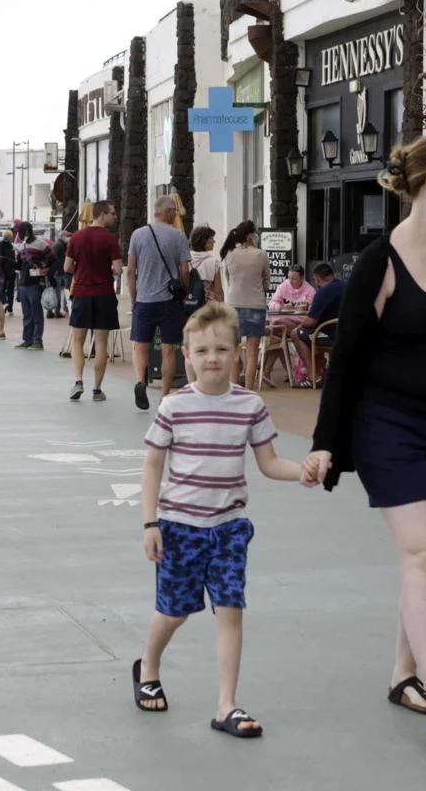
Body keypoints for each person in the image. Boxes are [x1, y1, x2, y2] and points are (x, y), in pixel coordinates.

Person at [303, 133, 426, 741]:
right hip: (393, 427)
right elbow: (347, 361)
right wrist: (323, 442)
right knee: (424, 553)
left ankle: (403, 673)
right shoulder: (378, 263)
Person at [133, 302, 303, 738]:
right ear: (186, 354)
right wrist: (150, 524)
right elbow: (153, 465)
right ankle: (148, 666)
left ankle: (227, 705)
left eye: (222, 349)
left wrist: (302, 471)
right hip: (179, 528)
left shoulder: (250, 405)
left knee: (231, 613)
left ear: (237, 353)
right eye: (203, 350)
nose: (213, 358)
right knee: (173, 612)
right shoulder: (174, 406)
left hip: (228, 530)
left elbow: (268, 462)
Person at [128, 195, 191, 410]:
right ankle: (164, 395)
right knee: (167, 349)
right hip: (169, 301)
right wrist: (184, 288)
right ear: (169, 212)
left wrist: (134, 298)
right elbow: (184, 269)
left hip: (144, 299)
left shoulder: (137, 235)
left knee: (141, 345)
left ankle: (139, 381)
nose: (176, 215)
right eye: (174, 211)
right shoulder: (178, 236)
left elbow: (130, 271)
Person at [65, 199, 123, 401]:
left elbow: (67, 267)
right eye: (112, 213)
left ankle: (79, 380)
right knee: (100, 344)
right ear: (101, 214)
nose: (115, 217)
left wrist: (80, 271)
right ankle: (97, 389)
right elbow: (117, 269)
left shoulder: (76, 237)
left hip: (81, 293)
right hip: (104, 294)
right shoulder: (110, 239)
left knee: (78, 341)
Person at [220, 221, 270, 390]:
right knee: (252, 350)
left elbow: (228, 278)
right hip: (256, 304)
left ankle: (233, 387)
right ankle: (249, 388)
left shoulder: (229, 254)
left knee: (235, 349)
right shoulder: (261, 254)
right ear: (249, 236)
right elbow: (267, 282)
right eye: (254, 234)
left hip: (234, 304)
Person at [289, 263, 345, 387]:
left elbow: (311, 322)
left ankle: (313, 377)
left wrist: (299, 325)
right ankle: (320, 371)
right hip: (351, 333)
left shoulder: (323, 292)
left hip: (332, 336)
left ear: (318, 278)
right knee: (312, 334)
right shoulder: (347, 286)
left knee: (297, 334)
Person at [263, 265, 316, 385]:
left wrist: (307, 305)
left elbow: (313, 311)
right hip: (286, 322)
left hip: (302, 323)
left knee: (276, 330)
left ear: (302, 278)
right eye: (289, 278)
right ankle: (276, 372)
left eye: (294, 278)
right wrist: (281, 307)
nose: (290, 281)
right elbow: (272, 303)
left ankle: (266, 371)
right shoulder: (284, 286)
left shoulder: (310, 290)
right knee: (278, 332)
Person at [15, 221, 52, 350]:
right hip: (23, 283)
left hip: (35, 284)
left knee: (36, 313)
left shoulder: (41, 245)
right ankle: (27, 339)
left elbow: (53, 260)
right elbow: (19, 265)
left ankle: (37, 340)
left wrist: (45, 270)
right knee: (27, 314)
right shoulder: (21, 246)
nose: (18, 234)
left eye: (19, 231)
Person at [189, 225, 224, 304]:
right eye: (211, 238)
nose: (214, 241)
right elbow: (218, 292)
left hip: (188, 306)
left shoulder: (185, 260)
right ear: (203, 241)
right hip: (207, 309)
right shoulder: (213, 262)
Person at [50, 228, 72, 318]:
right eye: (67, 236)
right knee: (57, 291)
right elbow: (54, 259)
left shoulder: (60, 244)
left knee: (57, 291)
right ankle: (56, 310)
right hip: (57, 272)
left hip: (58, 271)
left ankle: (55, 310)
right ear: (63, 236)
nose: (69, 238)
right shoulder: (59, 245)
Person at [2, 229, 18, 316]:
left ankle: (5, 302)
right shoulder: (12, 246)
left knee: (2, 288)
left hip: (3, 271)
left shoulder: (0, 246)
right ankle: (10, 309)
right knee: (11, 290)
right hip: (12, 270)